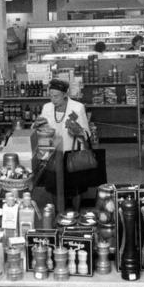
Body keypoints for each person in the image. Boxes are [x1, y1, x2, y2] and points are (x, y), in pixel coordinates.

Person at [34, 79, 91, 210]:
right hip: (53, 152)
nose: (53, 99)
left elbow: (87, 133)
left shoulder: (77, 107)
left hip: (72, 153)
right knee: (54, 185)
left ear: (65, 94)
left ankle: (76, 212)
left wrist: (78, 131)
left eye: (56, 96)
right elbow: (42, 129)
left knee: (75, 186)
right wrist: (37, 124)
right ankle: (58, 212)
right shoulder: (47, 108)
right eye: (51, 96)